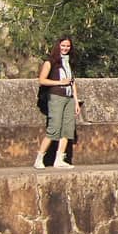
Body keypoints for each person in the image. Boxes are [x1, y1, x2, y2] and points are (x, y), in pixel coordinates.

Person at [34, 38, 84, 169]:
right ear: (58, 46)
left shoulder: (69, 63)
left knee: (67, 129)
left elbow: (72, 82)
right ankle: (40, 157)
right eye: (63, 45)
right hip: (56, 96)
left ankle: (60, 159)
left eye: (68, 46)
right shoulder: (50, 62)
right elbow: (42, 80)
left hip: (68, 98)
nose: (65, 48)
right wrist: (60, 83)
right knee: (54, 128)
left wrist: (76, 101)